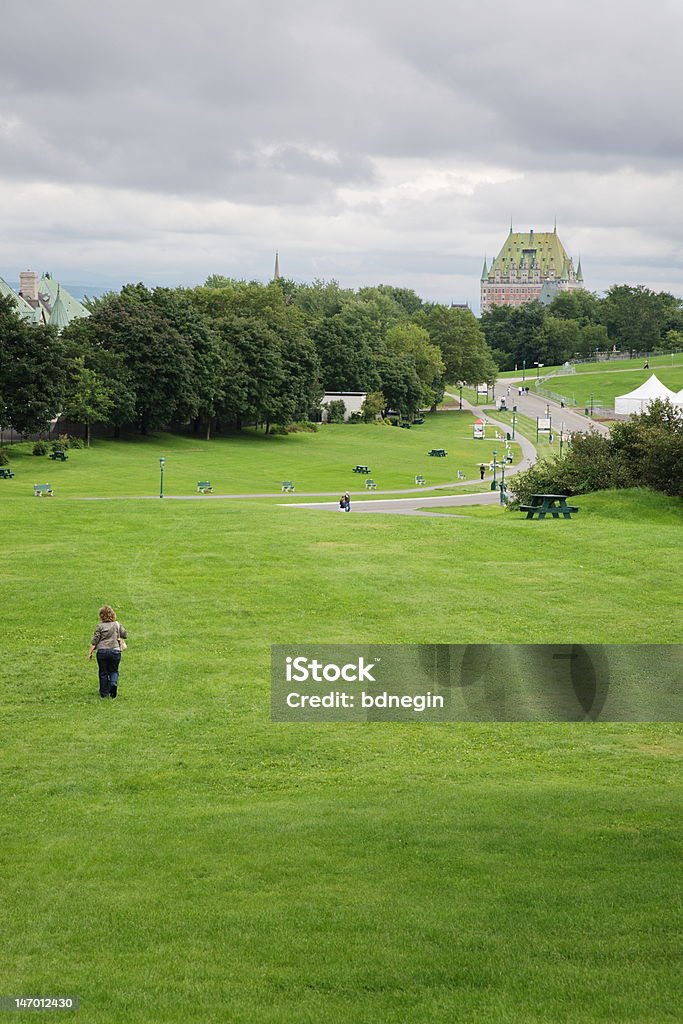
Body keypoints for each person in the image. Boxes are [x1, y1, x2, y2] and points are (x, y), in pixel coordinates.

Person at [88, 605, 128, 699]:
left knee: (103, 672)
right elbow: (125, 635)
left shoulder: (99, 626)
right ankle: (113, 683)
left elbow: (95, 640)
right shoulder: (117, 624)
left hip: (102, 652)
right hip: (115, 651)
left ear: (101, 616)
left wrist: (90, 652)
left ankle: (104, 692)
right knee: (114, 670)